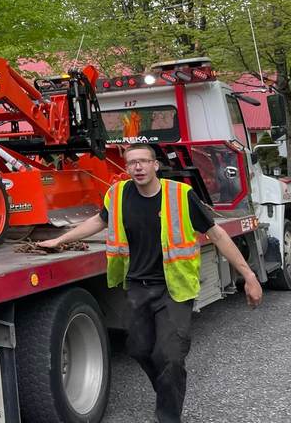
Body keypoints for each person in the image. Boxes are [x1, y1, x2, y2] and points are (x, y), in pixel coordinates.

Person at [37, 143, 263, 423]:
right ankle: (168, 391)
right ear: (126, 167)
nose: (138, 167)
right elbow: (98, 221)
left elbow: (217, 235)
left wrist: (249, 276)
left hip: (174, 288)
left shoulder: (180, 195)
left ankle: (168, 416)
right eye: (132, 163)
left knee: (170, 356)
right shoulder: (118, 194)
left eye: (144, 161)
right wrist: (59, 240)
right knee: (139, 349)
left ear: (155, 165)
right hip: (137, 287)